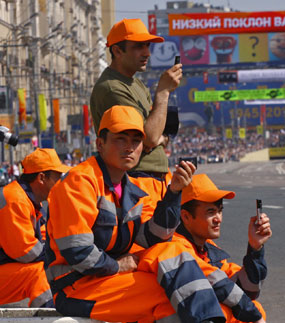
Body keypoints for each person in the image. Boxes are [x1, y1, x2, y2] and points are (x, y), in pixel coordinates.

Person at [45, 105, 225, 323]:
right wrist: (117, 266)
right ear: (100, 144)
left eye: (136, 141)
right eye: (121, 139)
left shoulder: (128, 187)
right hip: (75, 288)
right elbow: (78, 250)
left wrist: (174, 193)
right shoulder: (80, 181)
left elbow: (153, 237)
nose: (129, 147)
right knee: (173, 296)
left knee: (178, 285)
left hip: (106, 281)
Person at [90, 18, 182, 197]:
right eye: (138, 46)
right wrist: (163, 92)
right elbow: (149, 138)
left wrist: (159, 138)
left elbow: (153, 133)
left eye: (147, 46)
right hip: (137, 179)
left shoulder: (136, 84)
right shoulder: (112, 88)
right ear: (117, 50)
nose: (147, 53)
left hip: (152, 178)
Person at [176, 174, 273, 323]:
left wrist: (255, 247)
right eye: (210, 212)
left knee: (254, 307)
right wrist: (255, 316)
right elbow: (217, 284)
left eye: (220, 210)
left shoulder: (207, 248)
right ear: (186, 216)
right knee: (225, 312)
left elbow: (247, 290)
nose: (219, 218)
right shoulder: (176, 247)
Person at [0, 148, 70, 308]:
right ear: (41, 178)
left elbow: (46, 239)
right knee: (39, 275)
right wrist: (60, 256)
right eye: (57, 177)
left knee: (52, 268)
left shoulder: (30, 201)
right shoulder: (15, 199)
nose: (60, 182)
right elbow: (25, 251)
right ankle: (49, 316)